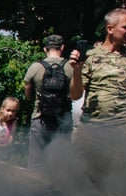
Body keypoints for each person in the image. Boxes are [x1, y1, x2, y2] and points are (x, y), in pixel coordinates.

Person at [72, 8, 126, 172]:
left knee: (117, 181)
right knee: (86, 179)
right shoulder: (91, 57)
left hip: (123, 131)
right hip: (92, 130)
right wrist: (77, 71)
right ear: (110, 29)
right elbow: (75, 94)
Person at [23, 34, 82, 169]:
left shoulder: (35, 67)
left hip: (40, 118)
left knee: (36, 163)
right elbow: (76, 94)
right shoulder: (70, 67)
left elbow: (27, 93)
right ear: (62, 48)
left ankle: (34, 189)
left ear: (45, 49)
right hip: (63, 120)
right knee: (61, 164)